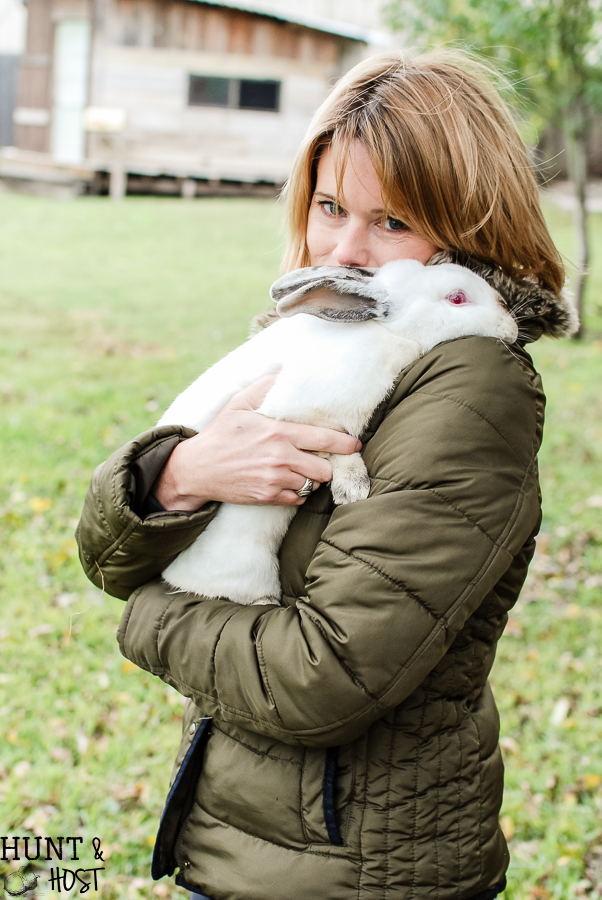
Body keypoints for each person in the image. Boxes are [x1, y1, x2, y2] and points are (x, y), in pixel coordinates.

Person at [77, 50, 576, 900]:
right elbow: (105, 550)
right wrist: (181, 473)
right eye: (331, 206)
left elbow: (323, 676)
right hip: (252, 842)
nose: (345, 249)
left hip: (359, 870)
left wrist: (147, 618)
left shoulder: (468, 382)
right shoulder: (322, 330)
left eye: (393, 222)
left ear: (464, 228)